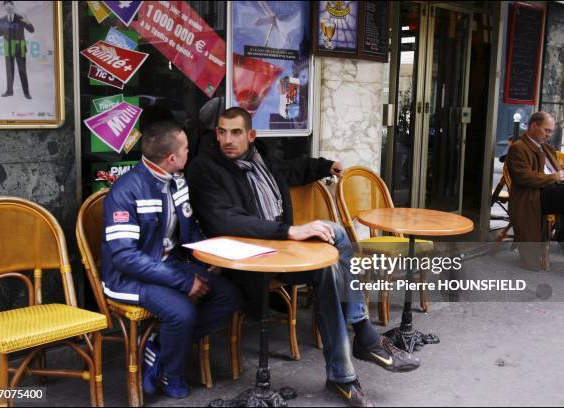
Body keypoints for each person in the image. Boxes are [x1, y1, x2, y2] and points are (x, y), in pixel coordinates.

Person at [187, 107, 420, 407]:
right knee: (328, 266)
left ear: (251, 136)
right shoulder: (204, 168)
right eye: (221, 132)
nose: (227, 139)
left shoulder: (262, 159)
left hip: (283, 249)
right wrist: (290, 231)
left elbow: (292, 170)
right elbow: (227, 221)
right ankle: (359, 344)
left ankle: (347, 366)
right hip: (247, 260)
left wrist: (325, 166)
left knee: (332, 247)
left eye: (235, 132)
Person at [101, 120, 243, 399]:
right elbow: (125, 257)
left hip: (168, 264)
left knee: (230, 295)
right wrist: (184, 280)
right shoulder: (126, 191)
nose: (190, 152)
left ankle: (158, 349)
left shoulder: (177, 180)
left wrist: (206, 259)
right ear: (172, 158)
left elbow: (189, 230)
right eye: (187, 149)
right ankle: (171, 375)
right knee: (182, 312)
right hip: (129, 277)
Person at [505, 111, 564, 270]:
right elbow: (524, 177)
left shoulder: (546, 148)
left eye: (551, 131)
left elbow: (559, 169)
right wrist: (554, 178)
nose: (549, 135)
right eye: (547, 130)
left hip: (553, 191)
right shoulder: (518, 148)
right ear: (534, 126)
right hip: (533, 196)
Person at [0, 1, 34, 99]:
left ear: (13, 6)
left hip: (20, 48)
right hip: (8, 48)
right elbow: (0, 32)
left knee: (22, 70)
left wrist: (27, 19)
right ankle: (9, 91)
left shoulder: (20, 18)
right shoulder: (2, 20)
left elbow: (31, 30)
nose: (8, 8)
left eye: (10, 6)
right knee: (9, 71)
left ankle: (26, 93)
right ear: (4, 8)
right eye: (6, 7)